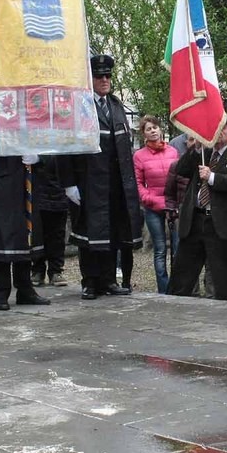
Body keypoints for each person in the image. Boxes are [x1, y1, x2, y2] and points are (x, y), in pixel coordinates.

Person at [60, 54, 143, 299]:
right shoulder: (80, 107)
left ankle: (108, 280)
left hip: (115, 183)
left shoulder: (116, 105)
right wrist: (69, 184)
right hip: (89, 181)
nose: (105, 80)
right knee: (90, 234)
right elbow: (66, 148)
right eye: (99, 76)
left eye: (108, 76)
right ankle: (90, 282)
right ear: (90, 78)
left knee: (113, 233)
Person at [0, 104, 50, 310]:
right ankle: (1, 291)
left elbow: (46, 139)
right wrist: (19, 143)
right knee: (1, 237)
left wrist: (38, 156)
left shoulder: (28, 110)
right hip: (2, 184)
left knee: (24, 237)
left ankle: (25, 289)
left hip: (26, 182)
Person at [167, 118, 227, 300]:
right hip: (194, 219)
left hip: (219, 223)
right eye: (216, 127)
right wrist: (196, 148)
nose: (219, 131)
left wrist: (213, 177)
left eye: (224, 128)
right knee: (183, 271)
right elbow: (181, 170)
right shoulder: (203, 153)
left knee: (223, 274)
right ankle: (174, 304)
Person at [133, 115, 179, 294]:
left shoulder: (173, 152)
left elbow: (180, 178)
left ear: (161, 130)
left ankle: (177, 287)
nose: (153, 131)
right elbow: (138, 183)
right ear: (144, 134)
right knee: (160, 249)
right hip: (153, 207)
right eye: (148, 129)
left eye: (155, 127)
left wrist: (175, 201)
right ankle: (164, 289)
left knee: (177, 248)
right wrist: (149, 199)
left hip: (173, 206)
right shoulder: (139, 156)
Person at [32, 151, 71, 288]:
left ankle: (56, 270)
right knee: (37, 232)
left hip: (58, 186)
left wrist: (41, 158)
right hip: (36, 186)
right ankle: (37, 269)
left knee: (57, 233)